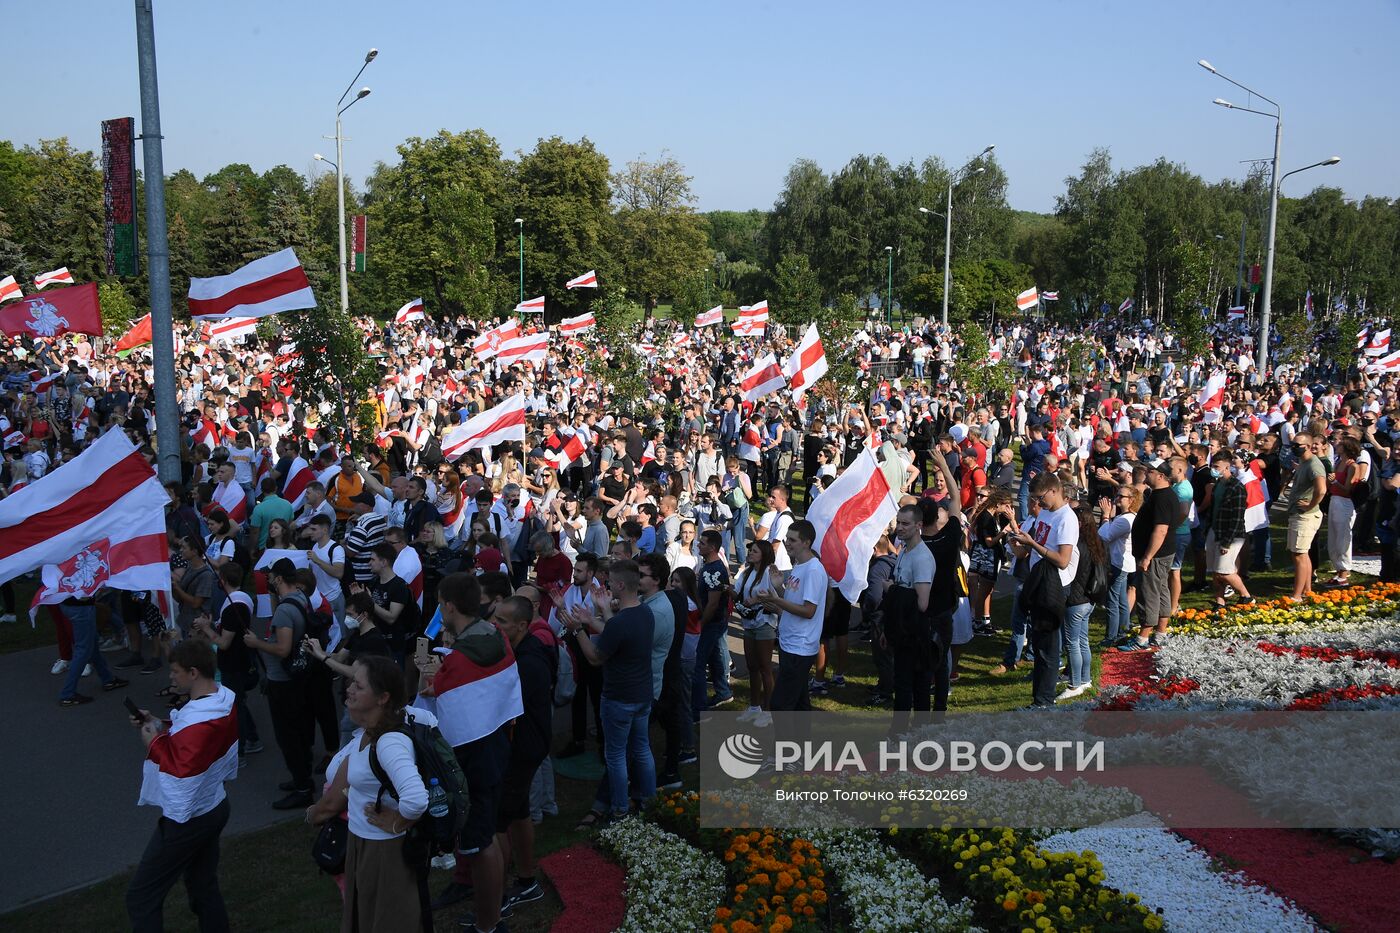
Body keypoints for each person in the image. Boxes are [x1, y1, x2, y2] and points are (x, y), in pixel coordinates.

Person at [419, 572, 521, 933]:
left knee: (479, 845)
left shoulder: (459, 661)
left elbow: (437, 704)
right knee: (491, 834)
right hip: (497, 744)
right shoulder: (496, 635)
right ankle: (496, 907)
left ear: (448, 605)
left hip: (474, 757)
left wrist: (434, 677)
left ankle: (488, 924)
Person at [307, 656, 431, 933]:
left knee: (388, 922)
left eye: (359, 686)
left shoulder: (388, 743)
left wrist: (399, 821)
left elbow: (417, 798)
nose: (349, 689)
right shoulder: (372, 731)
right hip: (364, 841)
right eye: (352, 682)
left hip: (384, 850)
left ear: (382, 697)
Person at [126, 639, 237, 933]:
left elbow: (182, 771)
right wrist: (161, 725)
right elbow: (191, 742)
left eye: (175, 671)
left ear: (193, 672)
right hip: (215, 804)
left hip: (190, 819)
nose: (171, 677)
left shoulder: (199, 719)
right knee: (203, 885)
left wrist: (154, 741)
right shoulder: (221, 700)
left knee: (141, 895)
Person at [563, 560, 657, 826]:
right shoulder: (644, 612)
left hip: (619, 698)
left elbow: (594, 657)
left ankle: (619, 809)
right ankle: (650, 802)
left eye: (609, 582)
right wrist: (595, 616)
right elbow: (616, 633)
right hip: (642, 694)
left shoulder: (620, 622)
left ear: (619, 585)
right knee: (642, 749)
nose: (605, 586)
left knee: (615, 756)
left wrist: (578, 629)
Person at [490, 596, 554, 917]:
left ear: (522, 626)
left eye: (502, 621)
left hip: (521, 749)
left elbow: (502, 705)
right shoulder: (519, 652)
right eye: (495, 618)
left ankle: (498, 896)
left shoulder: (529, 663)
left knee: (497, 821)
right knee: (518, 812)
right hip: (525, 746)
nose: (494, 625)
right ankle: (527, 879)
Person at [243, 557, 315, 808]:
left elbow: (283, 648)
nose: (269, 583)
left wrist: (257, 644)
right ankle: (301, 778)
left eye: (271, 579)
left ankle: (303, 787)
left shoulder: (285, 611)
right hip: (297, 678)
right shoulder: (300, 598)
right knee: (299, 731)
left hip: (283, 681)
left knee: (288, 736)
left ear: (280, 580)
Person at [1010, 471, 1079, 707]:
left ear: (1053, 490)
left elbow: (1062, 560)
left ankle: (1044, 701)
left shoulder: (1066, 518)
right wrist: (1021, 542)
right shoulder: (1047, 514)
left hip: (1054, 586)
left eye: (1040, 497)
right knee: (1039, 645)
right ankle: (1038, 699)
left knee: (1049, 648)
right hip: (1039, 582)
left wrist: (1033, 544)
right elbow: (1028, 551)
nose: (1038, 503)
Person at [757, 520, 829, 721]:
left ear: (806, 542)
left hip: (801, 645)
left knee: (781, 704)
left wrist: (776, 599)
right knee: (799, 702)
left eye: (792, 540)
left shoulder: (813, 570)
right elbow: (793, 602)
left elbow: (808, 611)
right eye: (786, 538)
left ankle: (782, 751)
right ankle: (799, 748)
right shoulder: (799, 565)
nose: (787, 543)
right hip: (790, 642)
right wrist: (779, 588)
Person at [193, 561, 262, 758]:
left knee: (235, 707)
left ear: (222, 581)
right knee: (238, 702)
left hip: (234, 663)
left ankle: (238, 753)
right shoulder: (242, 599)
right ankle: (253, 738)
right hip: (239, 660)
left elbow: (224, 643)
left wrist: (206, 627)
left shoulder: (234, 606)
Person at [882, 504, 934, 731]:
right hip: (901, 628)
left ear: (919, 526)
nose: (899, 528)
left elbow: (922, 603)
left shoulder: (922, 557)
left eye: (905, 524)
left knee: (913, 684)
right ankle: (906, 730)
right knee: (904, 681)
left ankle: (906, 731)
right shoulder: (903, 550)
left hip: (915, 632)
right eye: (898, 522)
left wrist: (892, 589)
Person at [1118, 465, 1176, 652]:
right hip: (1161, 553)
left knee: (1149, 592)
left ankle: (1143, 637)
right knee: (1160, 589)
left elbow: (1161, 530)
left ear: (1161, 476)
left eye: (1150, 472)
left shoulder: (1162, 498)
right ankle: (1160, 633)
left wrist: (1147, 557)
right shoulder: (1161, 494)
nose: (1146, 474)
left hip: (1155, 555)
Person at [1059, 506, 1104, 701]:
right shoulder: (1095, 543)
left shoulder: (1076, 546)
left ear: (1080, 524)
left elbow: (1069, 573)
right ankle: (1085, 680)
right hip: (1088, 600)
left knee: (1072, 643)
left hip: (1075, 601)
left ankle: (1075, 683)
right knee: (1082, 641)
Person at [733, 540, 780, 725]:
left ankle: (768, 711)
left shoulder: (769, 572)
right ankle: (754, 707)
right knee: (752, 666)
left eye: (754, 551)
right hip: (749, 624)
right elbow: (737, 594)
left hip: (764, 624)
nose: (750, 553)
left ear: (764, 554)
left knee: (765, 668)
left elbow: (777, 598)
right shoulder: (746, 572)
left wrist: (757, 601)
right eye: (750, 551)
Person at [692, 530, 732, 720]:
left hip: (711, 622)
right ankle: (723, 691)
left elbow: (713, 602)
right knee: (714, 657)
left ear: (713, 547)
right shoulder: (709, 566)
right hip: (716, 621)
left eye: (702, 543)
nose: (698, 545)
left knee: (698, 664)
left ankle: (699, 710)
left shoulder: (713, 569)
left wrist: (701, 623)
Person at [1206, 450, 1254, 606]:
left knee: (1224, 571)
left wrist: (1227, 542)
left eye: (1217, 466)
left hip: (1230, 534)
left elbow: (1237, 517)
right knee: (1215, 571)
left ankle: (1246, 596)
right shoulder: (1217, 485)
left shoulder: (1236, 487)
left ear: (1227, 467)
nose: (1213, 469)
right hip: (1215, 529)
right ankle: (1220, 602)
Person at [1285, 431, 1328, 601]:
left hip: (1305, 516)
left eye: (1298, 445)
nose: (1294, 448)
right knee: (1303, 553)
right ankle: (1307, 590)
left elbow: (1322, 489)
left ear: (1309, 447)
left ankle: (1296, 595)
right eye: (1293, 445)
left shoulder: (1313, 465)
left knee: (1299, 554)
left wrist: (1311, 504)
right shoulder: (1304, 462)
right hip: (1300, 514)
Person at [1098, 483, 1139, 648]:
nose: (1117, 498)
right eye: (1117, 495)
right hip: (1125, 563)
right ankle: (1123, 632)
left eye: (1121, 496)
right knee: (1121, 600)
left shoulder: (1125, 520)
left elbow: (1105, 535)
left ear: (1131, 500)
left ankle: (1112, 636)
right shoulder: (1128, 517)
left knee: (1112, 600)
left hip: (1119, 563)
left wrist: (1106, 516)